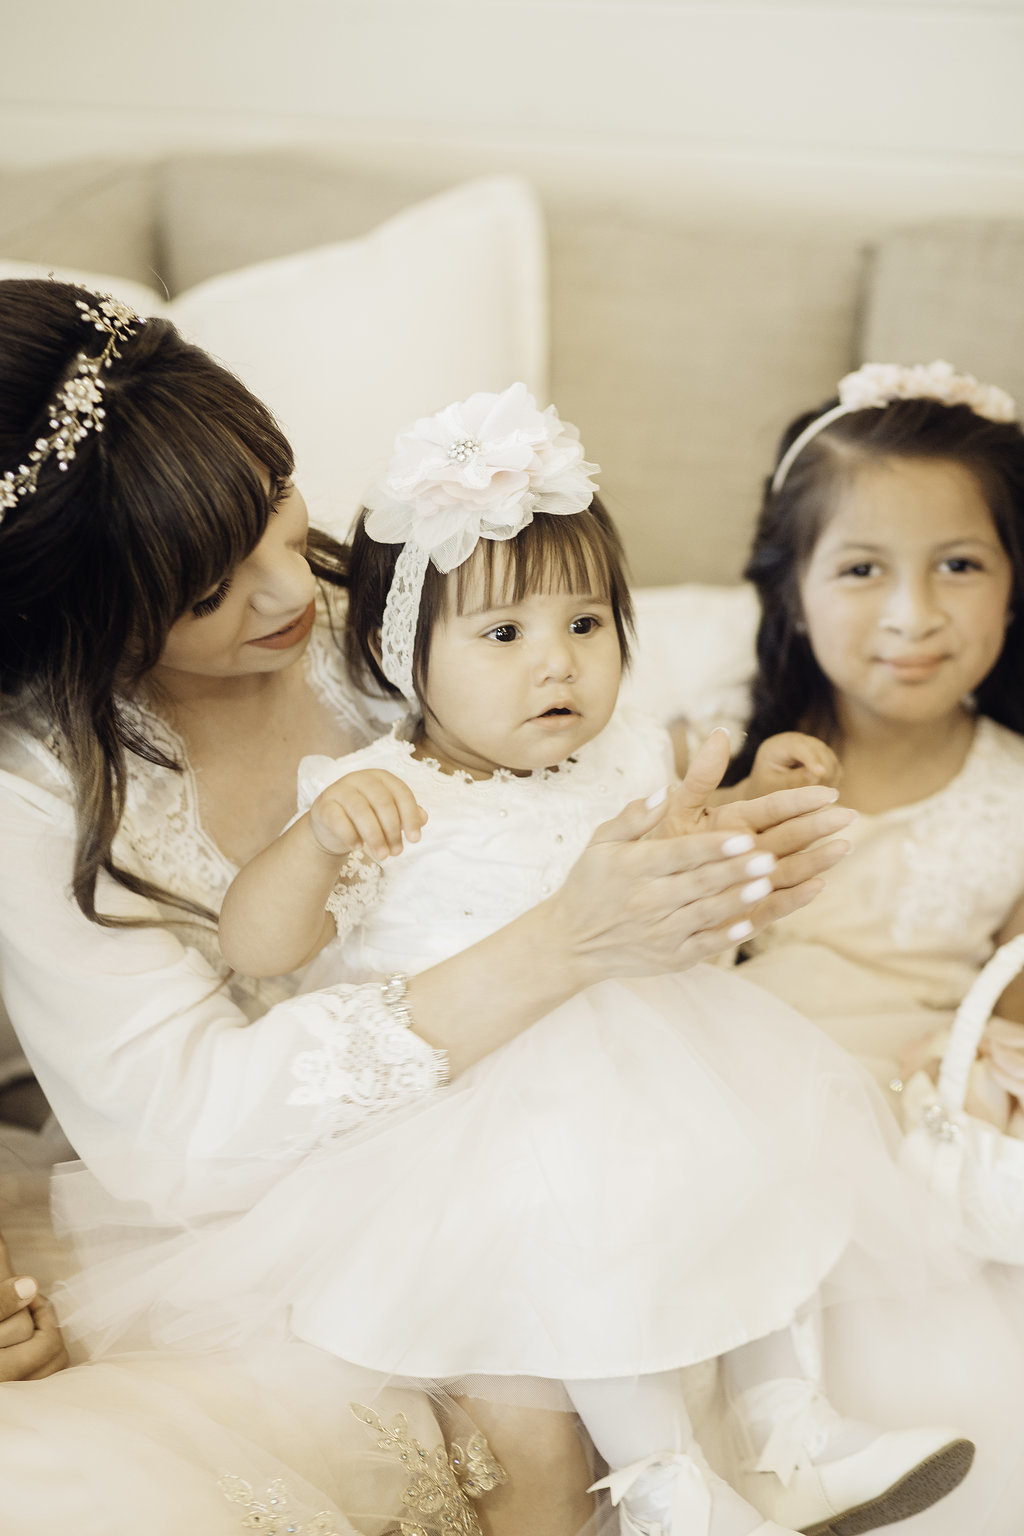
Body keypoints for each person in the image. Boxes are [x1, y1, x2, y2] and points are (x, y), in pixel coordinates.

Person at [0, 279, 856, 1535]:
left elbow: (597, 808)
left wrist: (718, 870)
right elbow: (179, 1134)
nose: (290, 593)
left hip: (586, 1121)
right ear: (72, 621)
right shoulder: (40, 792)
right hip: (285, 1222)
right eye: (204, 594)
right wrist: (558, 946)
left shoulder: (428, 606)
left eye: (277, 514)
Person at [122, 382, 972, 1536]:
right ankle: (667, 1484)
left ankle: (794, 1431)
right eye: (504, 635)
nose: (556, 667)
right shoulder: (389, 793)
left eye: (585, 625)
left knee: (761, 1191)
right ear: (397, 650)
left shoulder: (618, 756)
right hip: (491, 1097)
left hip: (663, 1056)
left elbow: (689, 854)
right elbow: (259, 948)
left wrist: (750, 803)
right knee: (589, 1256)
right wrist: (316, 846)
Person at [722, 361, 1024, 1122]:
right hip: (715, 1086)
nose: (912, 615)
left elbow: (1012, 1022)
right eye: (862, 569)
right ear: (792, 595)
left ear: (1015, 586)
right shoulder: (708, 752)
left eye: (958, 565)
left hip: (912, 1117)